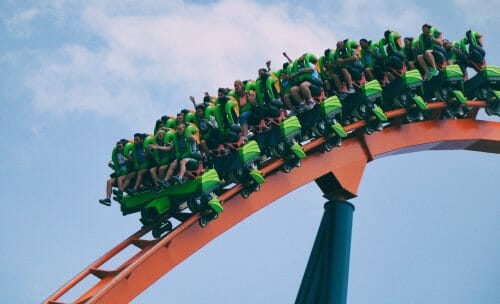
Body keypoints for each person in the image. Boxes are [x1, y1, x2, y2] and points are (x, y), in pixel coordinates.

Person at [99, 139, 136, 205]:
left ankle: (120, 195)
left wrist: (128, 158)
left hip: (130, 173)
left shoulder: (130, 152)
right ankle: (108, 199)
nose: (119, 148)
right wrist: (112, 166)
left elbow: (133, 162)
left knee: (120, 178)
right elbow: (119, 168)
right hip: (122, 174)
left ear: (124, 146)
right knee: (109, 181)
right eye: (117, 147)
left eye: (120, 146)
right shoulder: (117, 155)